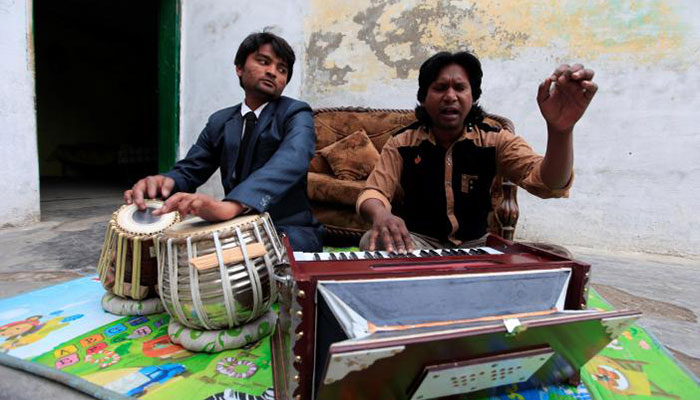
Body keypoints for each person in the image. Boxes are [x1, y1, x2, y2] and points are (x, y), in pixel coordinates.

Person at [357, 51, 597, 253]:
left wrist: (561, 131)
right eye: (440, 88)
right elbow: (373, 192)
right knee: (372, 241)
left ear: (473, 97)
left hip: (478, 247)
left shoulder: (494, 139)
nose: (450, 96)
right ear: (424, 97)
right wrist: (381, 215)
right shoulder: (402, 142)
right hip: (418, 246)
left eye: (460, 88)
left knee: (558, 255)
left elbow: (549, 183)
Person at [124, 31, 322, 251]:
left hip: (288, 230)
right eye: (263, 61)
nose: (272, 72)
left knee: (252, 262)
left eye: (282, 69)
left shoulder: (296, 113)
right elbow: (190, 170)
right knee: (168, 251)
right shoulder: (221, 121)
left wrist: (233, 205)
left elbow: (293, 158)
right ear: (239, 67)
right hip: (232, 228)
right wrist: (164, 183)